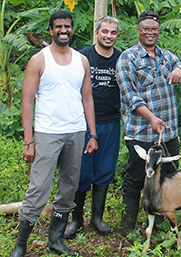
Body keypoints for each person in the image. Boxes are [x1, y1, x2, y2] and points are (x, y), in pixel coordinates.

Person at [11, 10, 98, 257]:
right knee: (38, 188)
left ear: (72, 30)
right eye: (58, 26)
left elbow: (87, 98)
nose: (63, 30)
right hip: (47, 133)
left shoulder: (81, 61)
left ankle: (56, 240)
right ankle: (20, 245)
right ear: (50, 30)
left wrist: (92, 134)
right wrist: (29, 140)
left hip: (76, 131)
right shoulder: (39, 60)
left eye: (67, 26)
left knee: (68, 188)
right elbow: (27, 102)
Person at [115, 10, 181, 241]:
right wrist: (151, 118)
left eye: (154, 29)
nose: (150, 32)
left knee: (168, 177)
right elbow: (130, 96)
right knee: (138, 177)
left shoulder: (167, 56)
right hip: (141, 133)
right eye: (146, 29)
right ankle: (129, 227)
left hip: (167, 133)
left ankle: (159, 222)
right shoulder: (128, 58)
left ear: (159, 31)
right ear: (138, 30)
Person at [64, 16, 122, 239]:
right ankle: (76, 218)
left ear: (117, 36)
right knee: (81, 170)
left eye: (113, 33)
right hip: (83, 123)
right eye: (105, 31)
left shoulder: (121, 59)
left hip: (111, 121)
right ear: (97, 33)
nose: (108, 36)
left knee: (105, 169)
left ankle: (97, 217)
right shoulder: (82, 57)